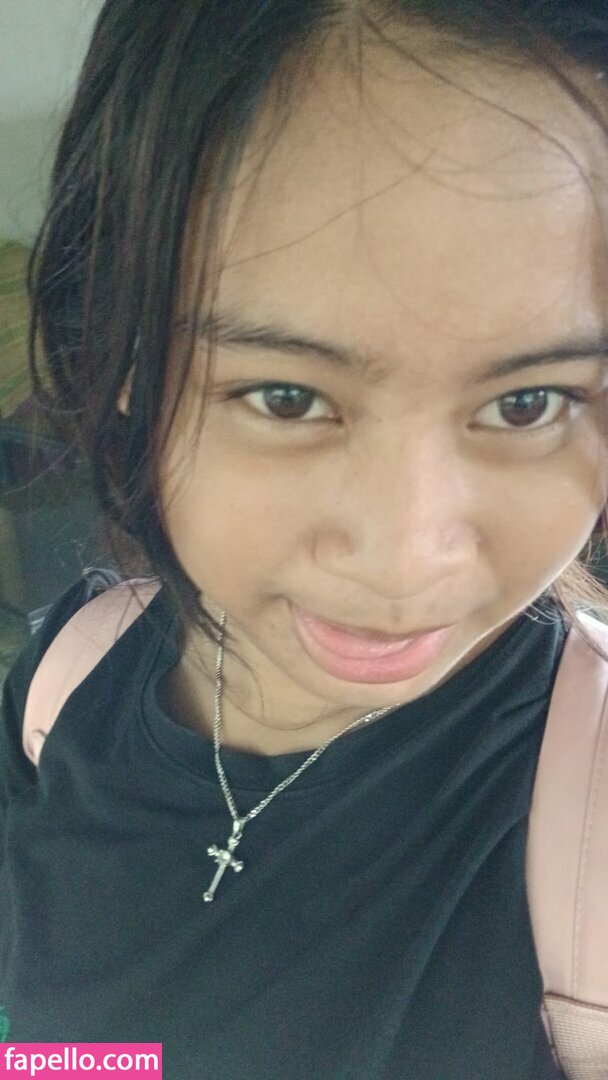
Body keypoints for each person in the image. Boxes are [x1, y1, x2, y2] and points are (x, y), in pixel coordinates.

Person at [1, 1, 608, 1077]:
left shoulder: (585, 832)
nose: (405, 559)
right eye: (286, 397)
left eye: (528, 404)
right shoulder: (61, 685)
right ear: (122, 351)